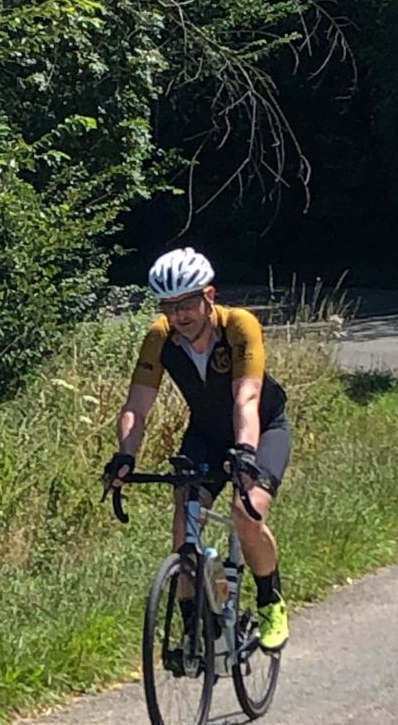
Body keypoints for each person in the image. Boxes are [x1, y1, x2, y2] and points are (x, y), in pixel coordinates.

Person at [103, 247, 290, 650]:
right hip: (206, 433)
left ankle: (270, 600)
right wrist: (125, 456)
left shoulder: (238, 325)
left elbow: (247, 397)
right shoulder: (160, 337)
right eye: (169, 306)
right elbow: (137, 406)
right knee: (185, 518)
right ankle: (194, 629)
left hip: (261, 428)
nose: (179, 315)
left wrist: (245, 452)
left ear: (209, 296)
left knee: (246, 513)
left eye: (187, 303)